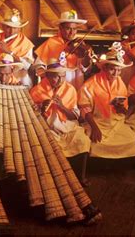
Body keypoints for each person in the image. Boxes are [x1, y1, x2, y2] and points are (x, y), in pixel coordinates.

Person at [30, 55, 91, 186]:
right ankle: (56, 179)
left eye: (60, 76)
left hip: (68, 126)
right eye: (53, 76)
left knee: (83, 139)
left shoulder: (70, 89)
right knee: (50, 146)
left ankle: (81, 176)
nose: (57, 80)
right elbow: (31, 117)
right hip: (47, 128)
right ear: (47, 76)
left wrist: (61, 106)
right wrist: (41, 108)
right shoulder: (36, 91)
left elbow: (74, 116)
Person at [78, 44, 135, 159]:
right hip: (96, 122)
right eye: (112, 69)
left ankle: (117, 167)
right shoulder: (90, 84)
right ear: (104, 68)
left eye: (119, 70)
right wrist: (95, 128)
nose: (116, 74)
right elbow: (84, 109)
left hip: (115, 122)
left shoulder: (121, 83)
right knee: (96, 142)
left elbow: (123, 110)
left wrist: (121, 109)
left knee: (131, 139)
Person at [34, 10, 92, 89]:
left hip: (76, 79)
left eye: (74, 29)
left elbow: (85, 69)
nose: (72, 32)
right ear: (60, 28)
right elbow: (39, 66)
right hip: (56, 81)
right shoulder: (51, 42)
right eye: (68, 28)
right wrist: (49, 77)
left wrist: (85, 56)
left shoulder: (79, 45)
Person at [0, 9, 34, 86]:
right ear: (3, 27)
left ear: (19, 28)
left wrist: (9, 51)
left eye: (15, 28)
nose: (12, 31)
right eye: (8, 27)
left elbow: (27, 66)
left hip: (19, 78)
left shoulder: (25, 43)